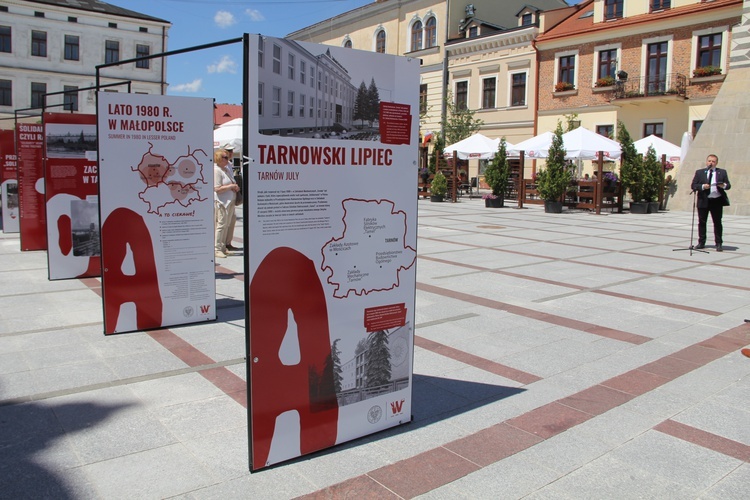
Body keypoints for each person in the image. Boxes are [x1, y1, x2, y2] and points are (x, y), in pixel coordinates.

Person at [690, 154, 731, 251]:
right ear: (706, 161)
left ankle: (719, 243)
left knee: (717, 222)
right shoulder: (700, 172)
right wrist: (703, 186)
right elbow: (694, 185)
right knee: (702, 222)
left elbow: (728, 185)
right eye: (709, 161)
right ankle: (701, 242)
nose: (711, 163)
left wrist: (723, 185)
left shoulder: (722, 172)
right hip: (703, 200)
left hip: (716, 200)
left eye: (713, 161)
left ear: (716, 163)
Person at [213, 148, 239, 259]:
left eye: (227, 157)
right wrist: (231, 187)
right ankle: (217, 248)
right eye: (225, 157)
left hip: (230, 201)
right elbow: (217, 188)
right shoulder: (216, 170)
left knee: (227, 225)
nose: (227, 159)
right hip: (222, 202)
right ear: (219, 158)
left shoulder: (225, 169)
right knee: (221, 225)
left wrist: (235, 186)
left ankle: (223, 247)